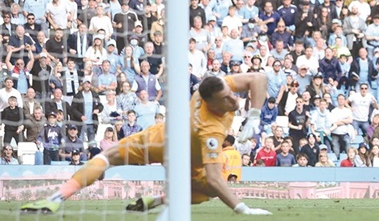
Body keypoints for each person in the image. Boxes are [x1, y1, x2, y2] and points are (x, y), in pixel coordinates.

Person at [21, 74, 272, 216]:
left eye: (231, 93)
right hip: (185, 157)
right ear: (211, 104)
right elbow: (216, 180)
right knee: (211, 189)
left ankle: (151, 201)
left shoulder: (208, 91)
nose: (233, 98)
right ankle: (55, 199)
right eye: (226, 99)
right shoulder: (211, 131)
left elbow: (258, 78)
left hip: (160, 137)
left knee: (108, 157)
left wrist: (255, 114)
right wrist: (243, 209)